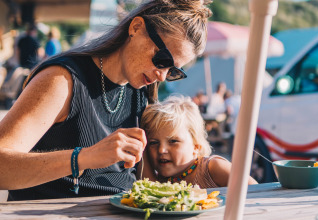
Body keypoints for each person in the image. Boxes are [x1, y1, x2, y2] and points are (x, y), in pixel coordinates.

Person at [0, 0, 212, 201]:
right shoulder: (62, 81)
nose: (162, 76)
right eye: (162, 59)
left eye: (173, 70)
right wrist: (83, 158)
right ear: (136, 28)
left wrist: (205, 169)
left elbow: (146, 176)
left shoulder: (140, 89)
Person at [140, 96, 257, 188]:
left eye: (173, 141)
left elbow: (258, 192)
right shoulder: (158, 179)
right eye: (154, 143)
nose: (161, 150)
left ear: (196, 147)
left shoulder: (212, 168)